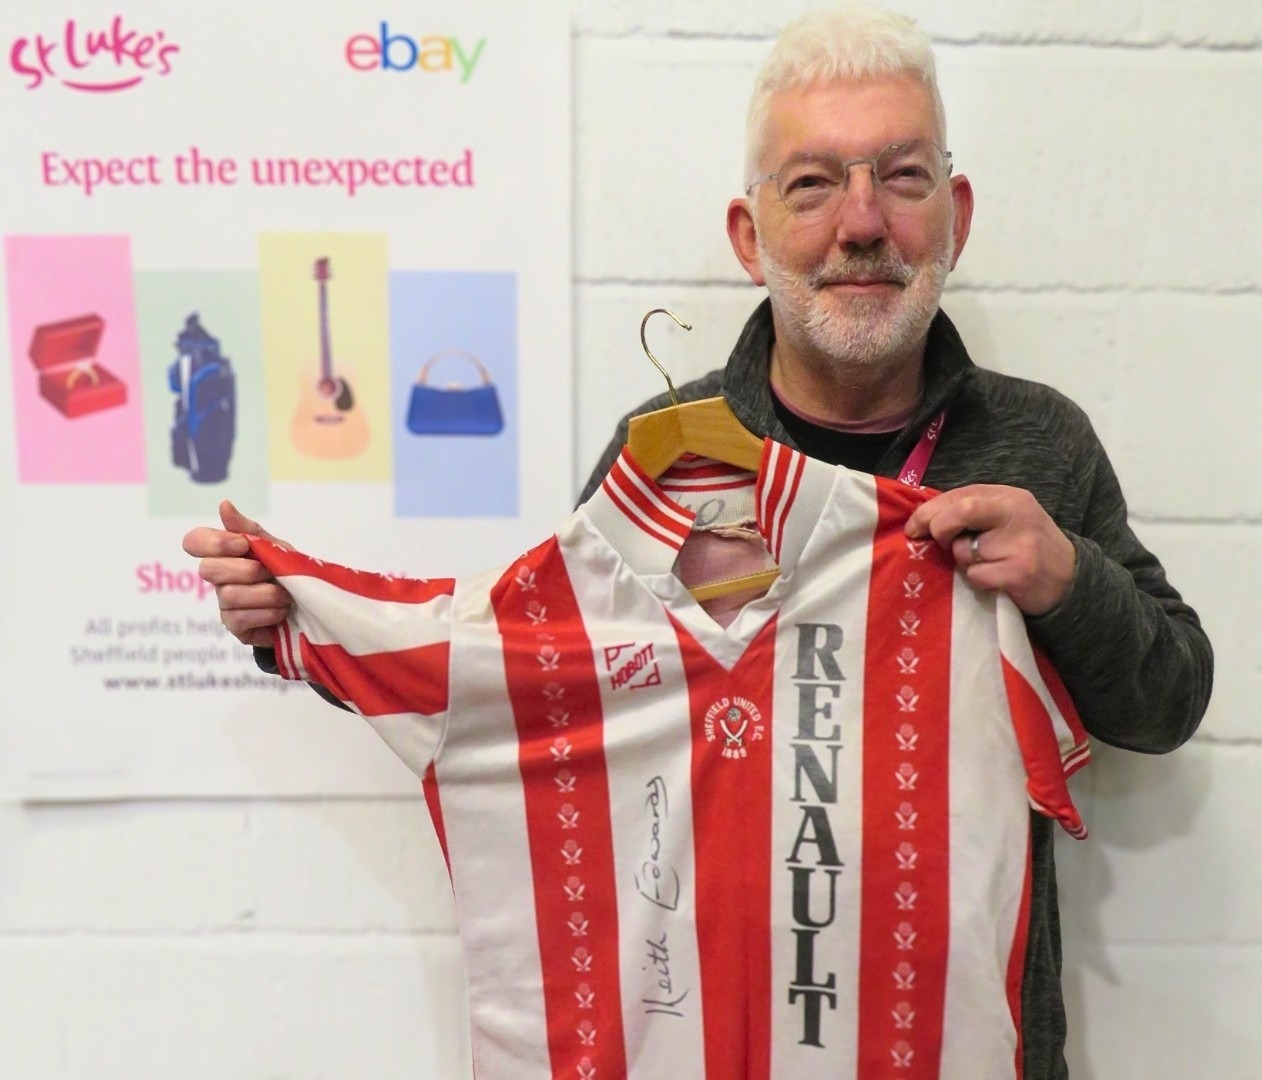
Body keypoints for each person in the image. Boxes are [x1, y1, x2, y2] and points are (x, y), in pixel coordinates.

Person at [184, 5, 1212, 1077]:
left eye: (899, 178)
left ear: (951, 214)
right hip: (704, 1039)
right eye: (811, 184)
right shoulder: (662, 458)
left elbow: (1168, 702)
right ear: (748, 230)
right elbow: (539, 678)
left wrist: (1065, 583)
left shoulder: (1035, 443)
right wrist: (296, 621)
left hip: (944, 1043)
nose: (860, 221)